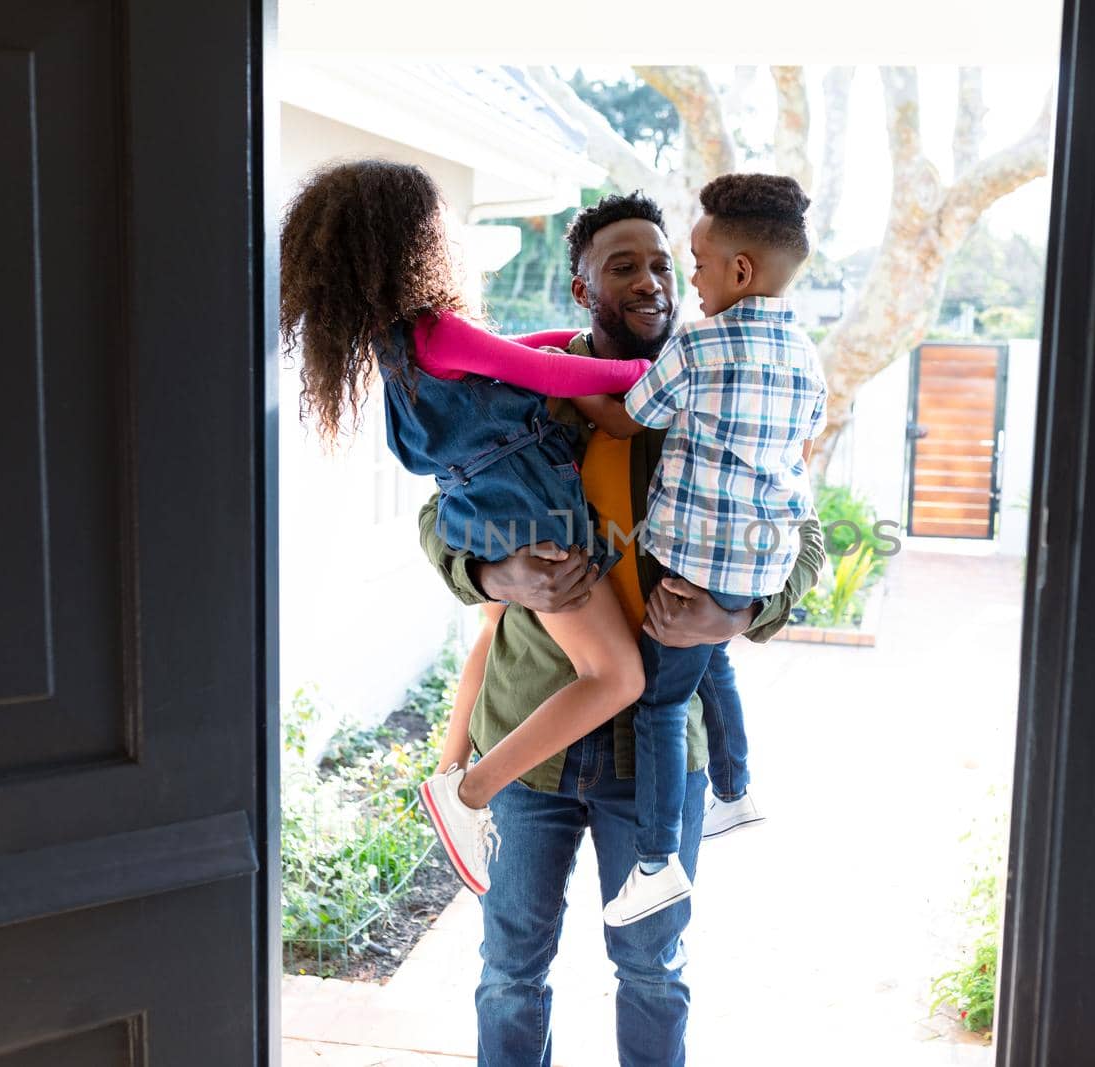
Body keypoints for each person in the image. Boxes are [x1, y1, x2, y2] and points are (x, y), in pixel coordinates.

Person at [418, 190, 823, 1067]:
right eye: (624, 265)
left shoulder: (722, 375)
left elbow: (804, 532)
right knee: (510, 970)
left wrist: (740, 610)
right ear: (580, 286)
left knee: (653, 969)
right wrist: (495, 571)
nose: (652, 281)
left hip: (660, 753)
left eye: (665, 263)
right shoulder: (532, 396)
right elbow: (441, 510)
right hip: (531, 739)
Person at [278, 160, 657, 897]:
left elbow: (521, 357)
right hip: (531, 509)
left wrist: (573, 350)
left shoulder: (400, 344)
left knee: (488, 632)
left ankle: (447, 771)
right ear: (415, 242)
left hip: (482, 507)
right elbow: (543, 376)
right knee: (616, 674)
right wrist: (638, 370)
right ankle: (469, 793)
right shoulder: (437, 331)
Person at [575, 174, 827, 926]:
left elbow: (629, 419)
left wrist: (567, 383)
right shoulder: (808, 353)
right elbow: (804, 436)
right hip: (757, 560)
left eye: (693, 262)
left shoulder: (697, 344)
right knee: (710, 660)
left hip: (696, 564)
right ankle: (737, 784)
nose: (684, 278)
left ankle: (655, 862)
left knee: (660, 701)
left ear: (739, 271)